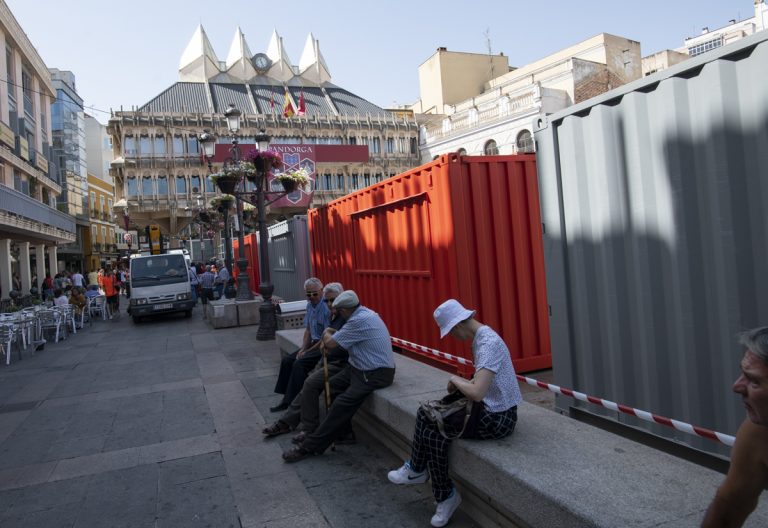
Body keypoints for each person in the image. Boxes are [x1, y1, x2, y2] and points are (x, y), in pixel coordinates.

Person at [387, 299, 522, 528]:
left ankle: (440, 491)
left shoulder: (488, 344)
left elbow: (478, 392)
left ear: (458, 325)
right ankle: (419, 471)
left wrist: (454, 379)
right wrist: (462, 384)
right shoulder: (483, 338)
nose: (452, 337)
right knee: (425, 413)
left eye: (450, 332)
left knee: (434, 427)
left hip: (499, 417)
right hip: (492, 407)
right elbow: (482, 385)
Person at [281, 290, 395, 463]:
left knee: (342, 403)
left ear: (344, 310)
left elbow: (330, 343)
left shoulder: (358, 320)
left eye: (337, 310)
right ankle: (343, 433)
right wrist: (331, 332)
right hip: (358, 367)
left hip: (375, 373)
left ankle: (311, 446)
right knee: (330, 387)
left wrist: (327, 331)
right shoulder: (362, 313)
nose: (334, 313)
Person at [263, 283, 348, 441]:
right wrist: (304, 348)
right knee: (292, 364)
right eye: (327, 301)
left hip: (340, 364)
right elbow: (311, 331)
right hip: (327, 358)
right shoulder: (332, 314)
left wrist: (312, 350)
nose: (330, 304)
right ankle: (288, 419)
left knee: (304, 374)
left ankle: (302, 426)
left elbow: (331, 343)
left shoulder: (345, 317)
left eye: (333, 300)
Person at [702, 327, 768, 528]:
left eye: (754, 381)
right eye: (743, 373)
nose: (736, 387)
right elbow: (729, 507)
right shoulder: (758, 433)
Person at [270, 277, 331, 412]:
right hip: (312, 344)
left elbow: (326, 338)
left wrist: (307, 352)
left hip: (323, 346)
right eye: (308, 294)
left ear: (321, 291)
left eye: (314, 294)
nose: (311, 297)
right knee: (287, 361)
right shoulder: (309, 305)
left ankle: (294, 401)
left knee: (299, 363)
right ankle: (286, 397)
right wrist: (303, 348)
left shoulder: (326, 308)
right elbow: (308, 330)